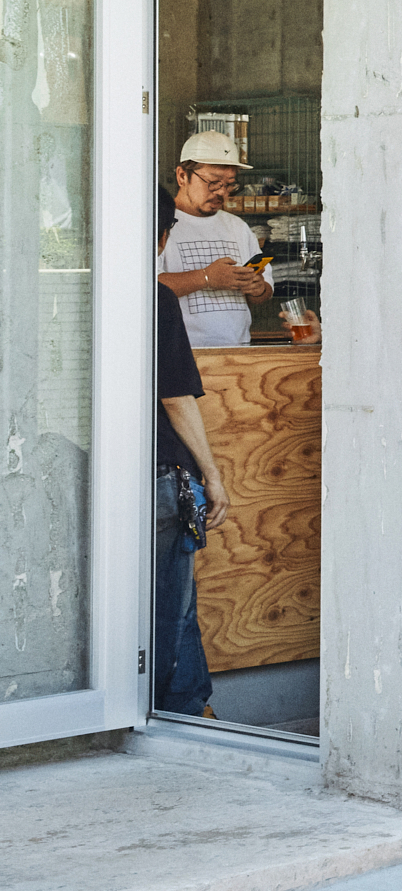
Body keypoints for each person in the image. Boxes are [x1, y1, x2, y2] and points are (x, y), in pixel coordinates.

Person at [155, 186, 228, 717]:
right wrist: (213, 474)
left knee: (177, 606)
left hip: (88, 470)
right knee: (171, 608)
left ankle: (193, 707)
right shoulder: (155, 298)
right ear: (163, 237)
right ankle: (171, 713)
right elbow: (176, 397)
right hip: (162, 474)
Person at [156, 130, 272, 347]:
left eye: (229, 184)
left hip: (239, 349)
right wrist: (206, 277)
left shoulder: (238, 227)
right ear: (182, 176)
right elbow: (146, 287)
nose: (221, 192)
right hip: (184, 352)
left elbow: (264, 292)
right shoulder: (160, 223)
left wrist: (258, 289)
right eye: (213, 182)